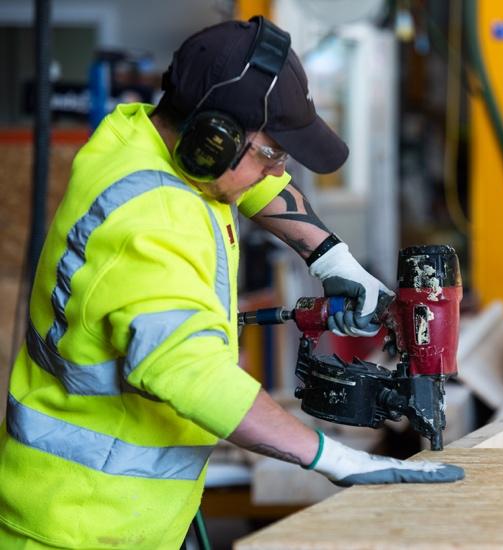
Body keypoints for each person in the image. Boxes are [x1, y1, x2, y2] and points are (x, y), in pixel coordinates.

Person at [0, 17, 463, 549]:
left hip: (125, 513)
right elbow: (196, 379)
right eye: (272, 154)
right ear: (212, 139)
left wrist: (334, 261)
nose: (276, 172)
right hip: (82, 526)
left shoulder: (139, 136)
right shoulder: (151, 224)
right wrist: (338, 459)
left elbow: (256, 182)